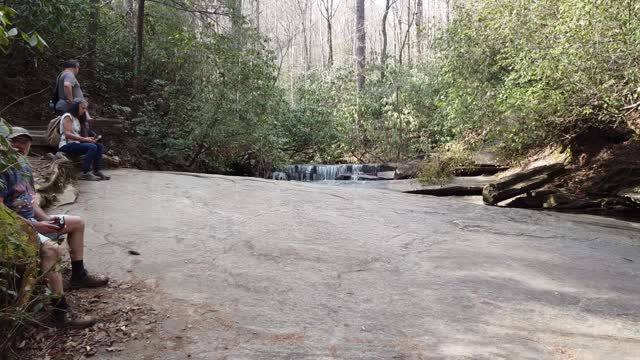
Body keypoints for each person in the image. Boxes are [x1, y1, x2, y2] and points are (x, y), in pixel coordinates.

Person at [1, 127, 109, 328]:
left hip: (33, 222)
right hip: (12, 229)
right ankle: (60, 312)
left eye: (25, 142)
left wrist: (47, 220)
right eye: (15, 141)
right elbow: (1, 212)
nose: (20, 146)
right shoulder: (2, 170)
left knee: (77, 222)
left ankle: (78, 275)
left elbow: (31, 202)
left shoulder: (24, 167)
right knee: (52, 249)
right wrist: (35, 225)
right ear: (5, 144)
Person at [58, 100, 110, 181]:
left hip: (75, 144)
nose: (84, 110)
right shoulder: (68, 116)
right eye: (83, 108)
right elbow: (67, 134)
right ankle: (85, 173)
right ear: (76, 107)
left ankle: (97, 171)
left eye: (85, 108)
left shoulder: (76, 118)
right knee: (92, 147)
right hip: (66, 145)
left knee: (99, 146)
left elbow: (76, 135)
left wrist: (88, 139)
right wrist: (84, 139)